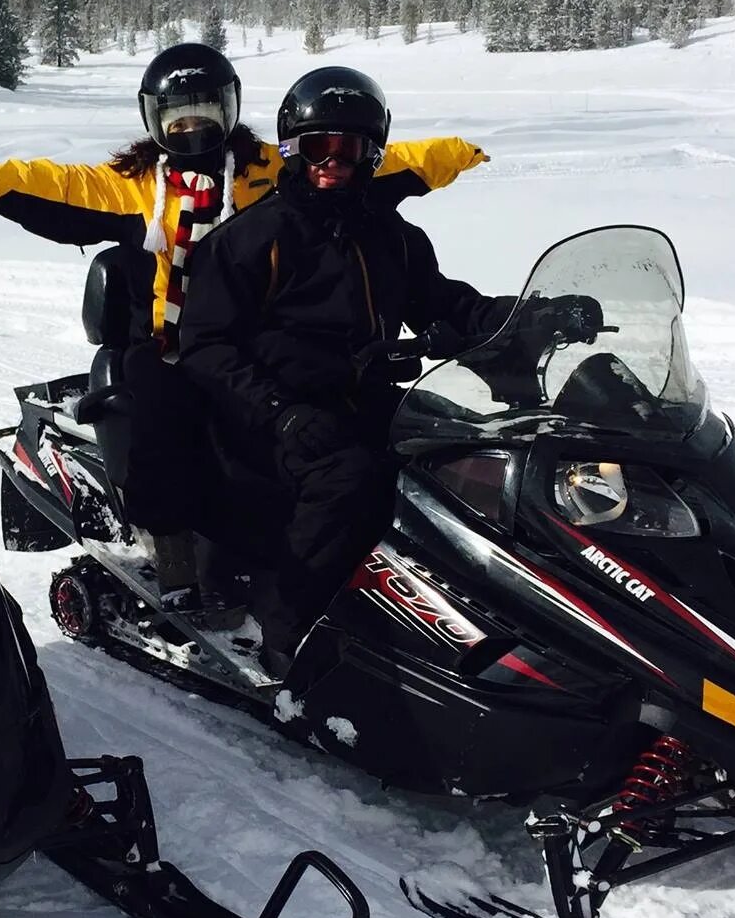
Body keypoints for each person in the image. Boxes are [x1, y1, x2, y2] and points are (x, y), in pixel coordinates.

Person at [0, 43, 486, 607]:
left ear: (230, 109)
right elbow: (52, 189)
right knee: (163, 416)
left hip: (251, 338)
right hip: (168, 343)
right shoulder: (134, 185)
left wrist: (455, 153)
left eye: (206, 114)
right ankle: (172, 549)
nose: (192, 130)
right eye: (177, 119)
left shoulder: (264, 170)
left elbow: (371, 162)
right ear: (154, 120)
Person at [177, 66, 592, 676]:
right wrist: (279, 411)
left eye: (351, 149)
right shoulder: (251, 237)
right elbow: (206, 345)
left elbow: (450, 304)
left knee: (467, 456)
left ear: (372, 155)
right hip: (267, 413)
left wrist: (533, 316)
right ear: (293, 148)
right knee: (346, 478)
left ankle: (471, 608)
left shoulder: (392, 236)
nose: (333, 162)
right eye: (320, 146)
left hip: (361, 394)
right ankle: (285, 627)